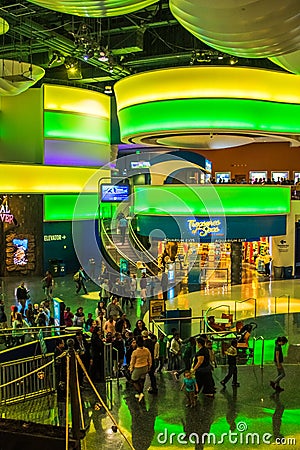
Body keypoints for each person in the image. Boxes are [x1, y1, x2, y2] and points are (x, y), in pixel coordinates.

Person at [130, 335, 152, 402]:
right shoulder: (147, 350)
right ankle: (141, 393)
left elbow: (132, 362)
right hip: (145, 367)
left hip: (137, 368)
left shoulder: (135, 352)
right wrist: (149, 366)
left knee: (134, 380)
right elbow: (149, 359)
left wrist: (131, 369)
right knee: (142, 380)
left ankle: (140, 393)